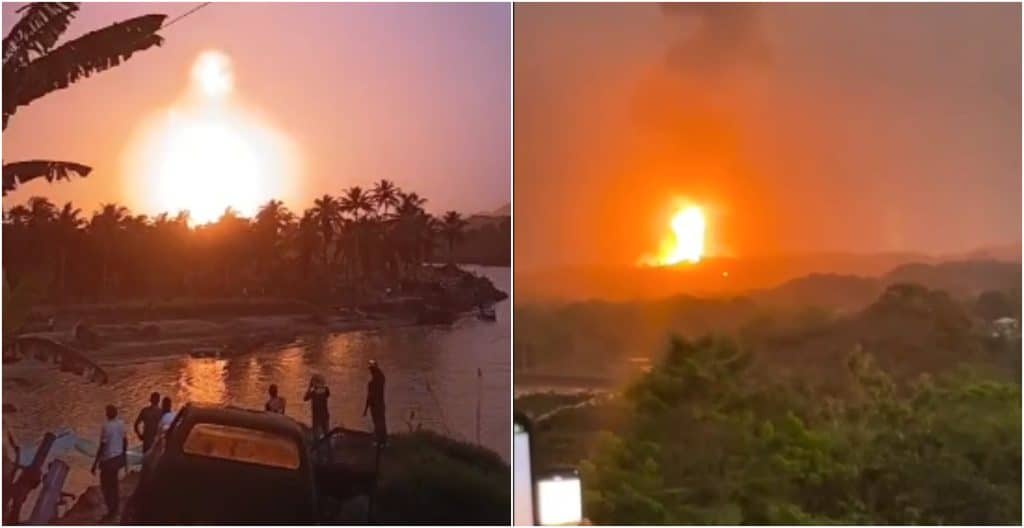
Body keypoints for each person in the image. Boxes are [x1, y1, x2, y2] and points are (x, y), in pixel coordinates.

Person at [92, 405, 127, 522]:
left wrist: (95, 463)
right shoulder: (121, 424)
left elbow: (102, 446)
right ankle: (115, 508)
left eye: (106, 412)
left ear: (108, 414)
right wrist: (124, 457)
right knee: (114, 484)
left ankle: (111, 511)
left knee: (106, 486)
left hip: (108, 460)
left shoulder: (106, 426)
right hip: (118, 458)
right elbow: (125, 441)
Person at [363, 360, 387, 445]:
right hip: (381, 404)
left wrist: (365, 409)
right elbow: (381, 375)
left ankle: (379, 441)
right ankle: (383, 440)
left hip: (375, 405)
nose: (370, 371)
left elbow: (369, 397)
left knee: (377, 423)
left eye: (370, 369)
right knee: (382, 422)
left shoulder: (372, 383)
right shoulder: (381, 378)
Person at [303, 375, 330, 440]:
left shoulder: (313, 393)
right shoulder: (325, 391)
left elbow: (305, 398)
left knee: (316, 437)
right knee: (327, 435)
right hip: (325, 416)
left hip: (317, 417)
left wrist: (309, 387)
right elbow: (327, 393)